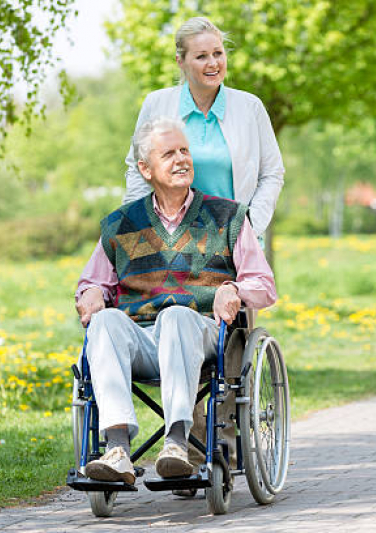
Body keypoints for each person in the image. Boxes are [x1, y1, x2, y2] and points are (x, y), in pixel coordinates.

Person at [75, 116, 276, 483]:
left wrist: (234, 289)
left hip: (198, 334)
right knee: (104, 321)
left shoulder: (226, 216)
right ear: (145, 169)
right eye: (169, 154)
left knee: (176, 317)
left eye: (185, 150)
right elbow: (93, 282)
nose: (182, 159)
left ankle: (177, 444)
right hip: (140, 341)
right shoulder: (121, 224)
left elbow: (263, 283)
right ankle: (117, 449)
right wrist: (89, 293)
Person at [123, 16, 284, 239]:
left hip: (235, 243)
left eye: (218, 53)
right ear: (181, 61)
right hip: (171, 244)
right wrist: (140, 228)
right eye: (201, 56)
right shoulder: (156, 104)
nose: (213, 63)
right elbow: (137, 169)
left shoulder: (250, 108)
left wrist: (249, 226)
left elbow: (272, 173)